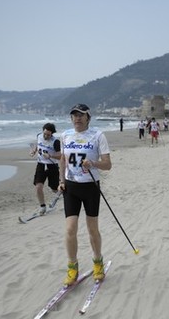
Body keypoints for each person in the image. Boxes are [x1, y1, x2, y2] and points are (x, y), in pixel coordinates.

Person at [58, 104, 112, 286]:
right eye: (74, 115)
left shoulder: (98, 136)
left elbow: (107, 164)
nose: (77, 118)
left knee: (92, 229)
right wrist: (61, 181)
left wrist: (93, 164)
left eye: (81, 115)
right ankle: (72, 267)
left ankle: (98, 262)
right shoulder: (65, 135)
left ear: (88, 118)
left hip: (90, 187)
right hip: (71, 188)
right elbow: (63, 161)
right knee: (70, 229)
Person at [30, 123, 61, 215]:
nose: (46, 136)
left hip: (52, 166)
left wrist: (50, 155)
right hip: (41, 164)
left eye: (48, 134)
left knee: (54, 189)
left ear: (52, 133)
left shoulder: (55, 142)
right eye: (45, 134)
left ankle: (63, 195)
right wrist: (34, 151)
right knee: (38, 186)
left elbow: (60, 156)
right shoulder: (39, 136)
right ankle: (42, 207)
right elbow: (38, 145)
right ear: (42, 131)